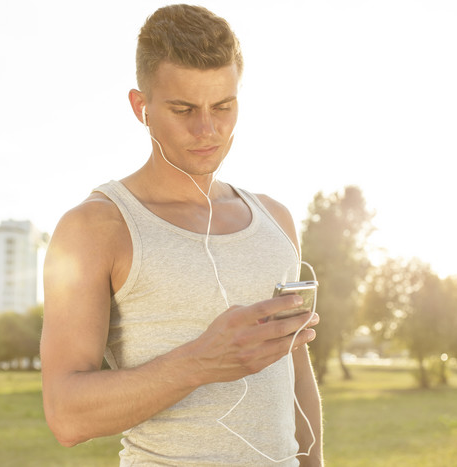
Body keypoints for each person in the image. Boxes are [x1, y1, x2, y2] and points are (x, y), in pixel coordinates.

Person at [40, 4, 323, 466]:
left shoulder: (276, 219)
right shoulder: (95, 228)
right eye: (184, 109)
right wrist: (201, 361)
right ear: (141, 107)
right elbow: (66, 416)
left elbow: (295, 372)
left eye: (223, 107)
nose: (207, 129)